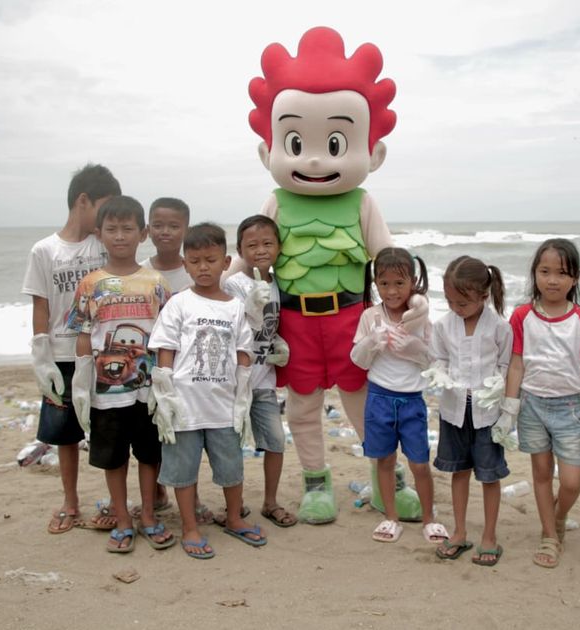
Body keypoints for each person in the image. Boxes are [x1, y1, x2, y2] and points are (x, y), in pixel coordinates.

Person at [240, 27, 426, 524]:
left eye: (337, 142)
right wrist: (211, 292)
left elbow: (388, 258)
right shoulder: (277, 201)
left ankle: (387, 481)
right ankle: (316, 483)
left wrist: (415, 297)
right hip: (294, 322)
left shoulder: (361, 201)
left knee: (363, 402)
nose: (316, 157)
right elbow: (247, 256)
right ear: (268, 151)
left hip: (352, 320)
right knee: (303, 407)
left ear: (373, 153)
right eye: (296, 141)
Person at [148, 222, 263, 559]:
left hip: (223, 406)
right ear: (185, 264)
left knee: (231, 467)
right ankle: (190, 527)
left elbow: (244, 352)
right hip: (184, 407)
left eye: (210, 260)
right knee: (183, 471)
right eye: (195, 261)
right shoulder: (179, 304)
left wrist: (242, 396)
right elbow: (165, 348)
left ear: (225, 262)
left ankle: (234, 518)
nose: (203, 268)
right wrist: (164, 393)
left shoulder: (235, 307)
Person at [68, 195, 175, 553]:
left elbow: (168, 335)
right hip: (106, 394)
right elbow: (84, 334)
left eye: (127, 229)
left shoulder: (156, 282)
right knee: (113, 457)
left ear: (142, 234)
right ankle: (123, 519)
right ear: (98, 234)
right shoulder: (90, 284)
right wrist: (81, 382)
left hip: (148, 390)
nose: (119, 236)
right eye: (111, 229)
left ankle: (149, 515)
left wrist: (167, 379)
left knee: (150, 454)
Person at [21, 163, 120, 534]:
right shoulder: (45, 250)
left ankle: (116, 502)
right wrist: (41, 356)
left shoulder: (104, 243)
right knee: (66, 434)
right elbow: (41, 305)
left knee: (110, 427)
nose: (109, 218)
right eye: (105, 207)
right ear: (83, 201)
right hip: (62, 355)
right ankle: (70, 501)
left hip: (105, 352)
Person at [502, 239, 580, 568]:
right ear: (534, 274)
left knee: (572, 482)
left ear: (575, 278)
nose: (553, 280)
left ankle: (559, 516)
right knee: (542, 473)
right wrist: (509, 409)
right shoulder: (522, 315)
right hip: (532, 405)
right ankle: (549, 534)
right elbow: (516, 365)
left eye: (562, 273)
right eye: (545, 272)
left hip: (570, 408)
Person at [350, 248, 448, 544]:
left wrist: (416, 349)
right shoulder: (370, 316)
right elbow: (358, 360)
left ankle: (429, 519)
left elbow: (434, 362)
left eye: (399, 283)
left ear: (413, 282)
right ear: (375, 284)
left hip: (412, 400)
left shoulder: (422, 320)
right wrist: (371, 342)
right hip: (379, 398)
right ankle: (391, 517)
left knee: (419, 463)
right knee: (385, 461)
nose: (391, 291)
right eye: (384, 283)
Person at [426, 256, 512, 566]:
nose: (455, 308)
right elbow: (438, 358)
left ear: (484, 296)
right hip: (454, 410)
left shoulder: (499, 327)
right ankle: (460, 531)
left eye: (462, 303)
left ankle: (489, 536)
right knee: (458, 471)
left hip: (487, 412)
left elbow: (506, 364)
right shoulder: (443, 325)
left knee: (489, 475)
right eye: (450, 301)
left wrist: (499, 385)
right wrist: (439, 373)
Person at [223, 215, 297, 528]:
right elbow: (235, 326)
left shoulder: (278, 284)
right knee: (231, 445)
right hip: (235, 380)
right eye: (252, 245)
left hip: (264, 377)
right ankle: (234, 505)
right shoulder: (234, 284)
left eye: (268, 243)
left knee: (275, 440)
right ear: (240, 250)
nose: (261, 250)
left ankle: (270, 502)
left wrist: (278, 343)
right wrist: (251, 308)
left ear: (279, 247)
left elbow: (272, 325)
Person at [136, 196, 190, 521]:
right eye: (158, 225)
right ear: (148, 229)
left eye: (173, 225)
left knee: (184, 434)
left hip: (187, 366)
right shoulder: (140, 271)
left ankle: (190, 494)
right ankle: (157, 492)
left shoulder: (195, 270)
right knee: (152, 431)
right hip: (149, 365)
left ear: (186, 229)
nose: (165, 232)